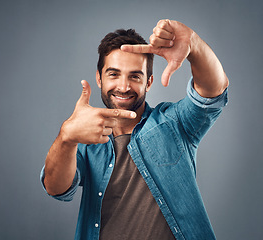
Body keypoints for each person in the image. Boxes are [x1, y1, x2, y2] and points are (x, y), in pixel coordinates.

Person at [40, 19, 229, 240]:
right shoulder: (83, 141)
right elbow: (56, 188)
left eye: (134, 76)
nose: (123, 86)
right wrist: (66, 137)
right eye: (113, 74)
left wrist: (194, 45)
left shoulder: (175, 123)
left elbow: (213, 91)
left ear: (148, 83)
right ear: (99, 78)